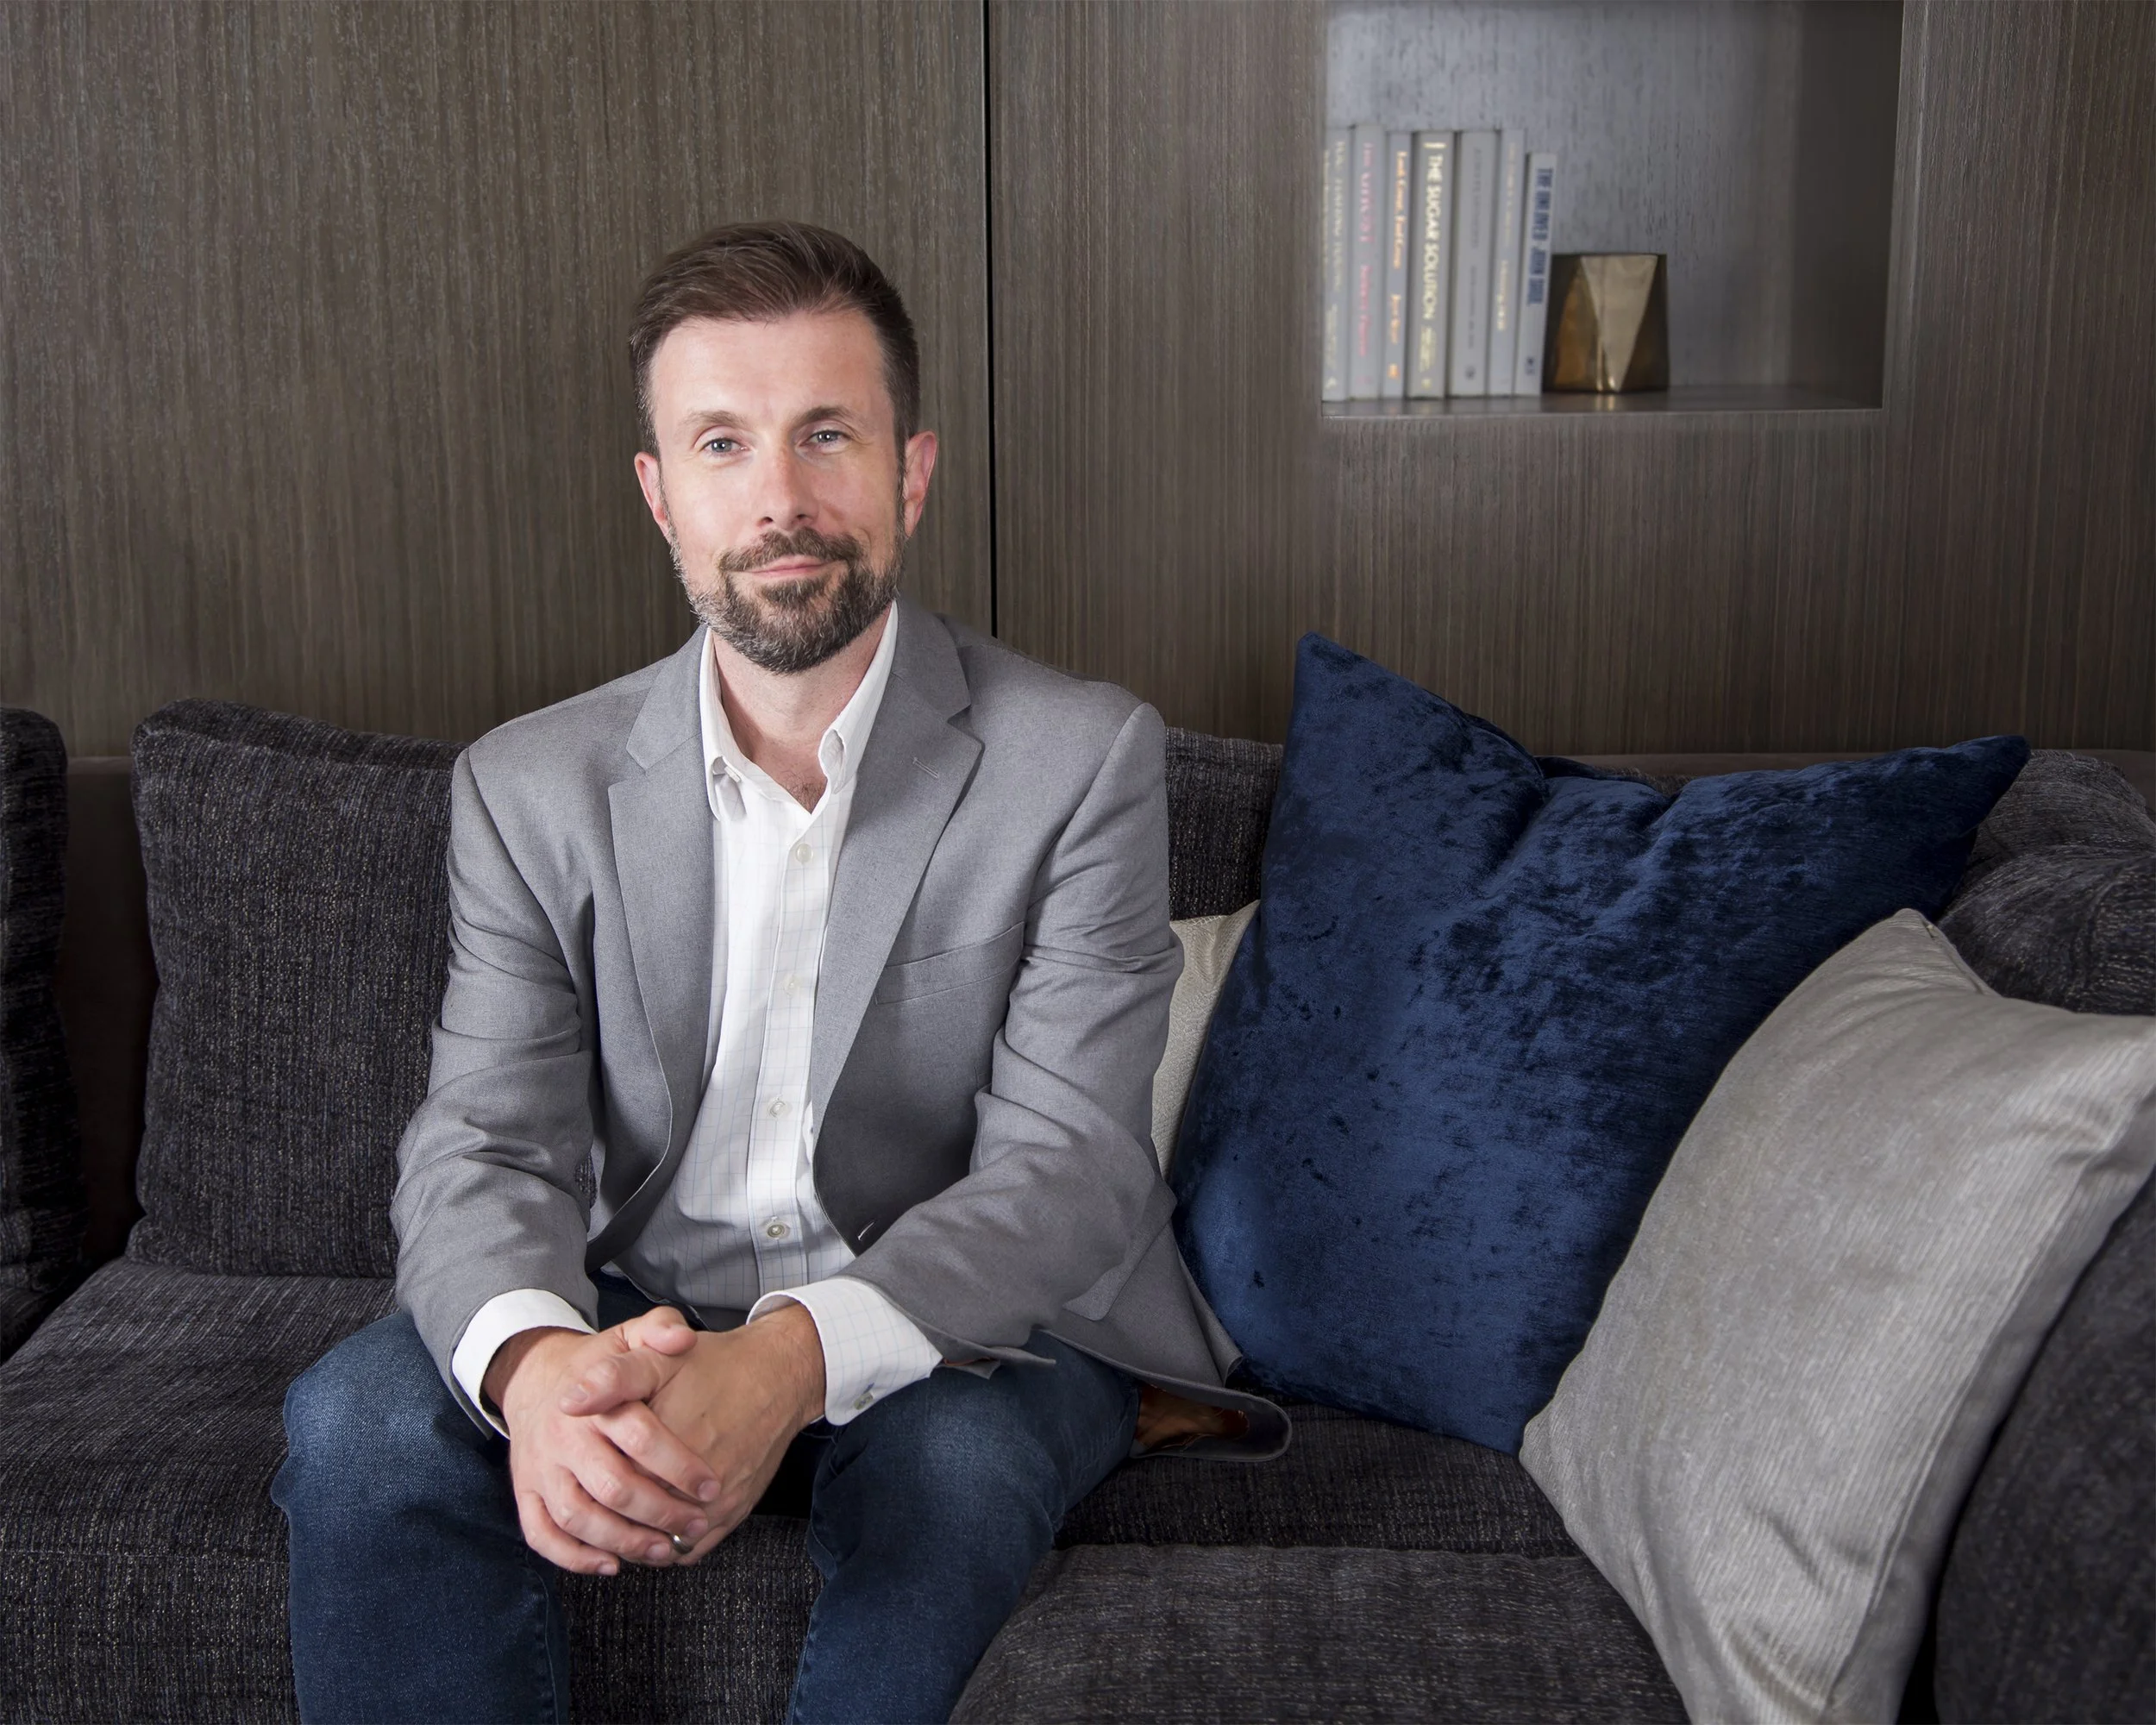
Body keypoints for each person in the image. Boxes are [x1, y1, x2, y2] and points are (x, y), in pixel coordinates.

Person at [273, 220, 1283, 1725]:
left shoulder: (1081, 762)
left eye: (828, 435)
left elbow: (1067, 1166)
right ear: (659, 495)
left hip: (975, 1334)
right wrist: (543, 1368)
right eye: (725, 444)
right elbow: (485, 1138)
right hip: (646, 1299)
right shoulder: (527, 789)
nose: (783, 501)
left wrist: (797, 1359)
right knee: (356, 1421)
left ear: (910, 473)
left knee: (952, 1471)